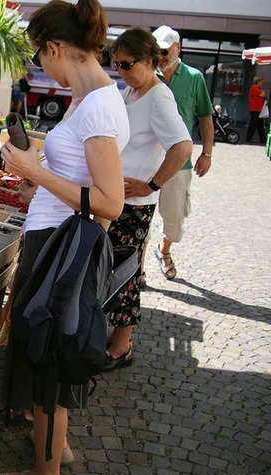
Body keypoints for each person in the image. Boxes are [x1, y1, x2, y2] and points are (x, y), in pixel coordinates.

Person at [0, 1, 129, 475]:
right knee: (48, 355)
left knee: (47, 361)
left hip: (60, 248)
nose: (40, 66)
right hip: (56, 235)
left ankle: (44, 474)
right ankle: (58, 451)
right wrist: (40, 173)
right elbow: (81, 177)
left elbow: (111, 202)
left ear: (54, 47)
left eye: (39, 56)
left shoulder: (96, 107)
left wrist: (35, 171)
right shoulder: (89, 96)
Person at [103, 28, 192, 371]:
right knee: (110, 271)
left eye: (127, 64)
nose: (121, 71)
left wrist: (151, 184)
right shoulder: (132, 90)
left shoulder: (159, 96)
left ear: (151, 61)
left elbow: (183, 147)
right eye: (117, 65)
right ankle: (113, 338)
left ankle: (122, 346)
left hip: (134, 207)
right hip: (116, 201)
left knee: (124, 275)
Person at [151, 25, 214, 281]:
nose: (161, 56)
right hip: (146, 161)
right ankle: (137, 266)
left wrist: (206, 153)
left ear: (178, 48)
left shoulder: (194, 77)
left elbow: (205, 116)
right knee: (137, 216)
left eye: (165, 50)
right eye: (157, 51)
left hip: (179, 163)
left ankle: (164, 250)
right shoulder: (146, 73)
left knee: (174, 220)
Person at [246, 76, 267, 143]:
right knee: (253, 124)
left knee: (259, 125)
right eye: (261, 82)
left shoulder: (257, 88)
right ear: (258, 82)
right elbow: (263, 94)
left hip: (258, 109)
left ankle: (263, 139)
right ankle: (249, 138)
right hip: (255, 109)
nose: (262, 84)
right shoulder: (254, 88)